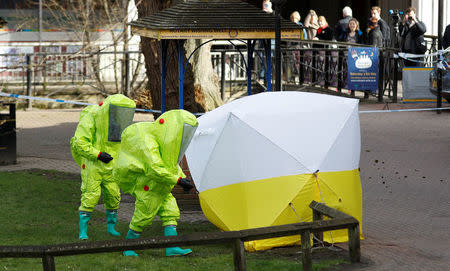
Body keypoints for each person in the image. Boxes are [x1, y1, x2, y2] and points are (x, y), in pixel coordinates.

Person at [113, 109, 198, 257]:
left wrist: (182, 178)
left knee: (171, 213)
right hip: (149, 185)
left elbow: (171, 164)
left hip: (162, 185)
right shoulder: (147, 141)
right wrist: (178, 180)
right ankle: (128, 247)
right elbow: (154, 168)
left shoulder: (167, 143)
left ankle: (171, 247)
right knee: (143, 215)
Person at [70, 94, 136, 240]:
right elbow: (79, 142)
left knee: (113, 195)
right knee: (90, 195)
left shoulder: (117, 119)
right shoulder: (92, 116)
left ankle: (111, 227)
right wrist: (98, 154)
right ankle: (83, 231)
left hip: (112, 163)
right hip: (93, 163)